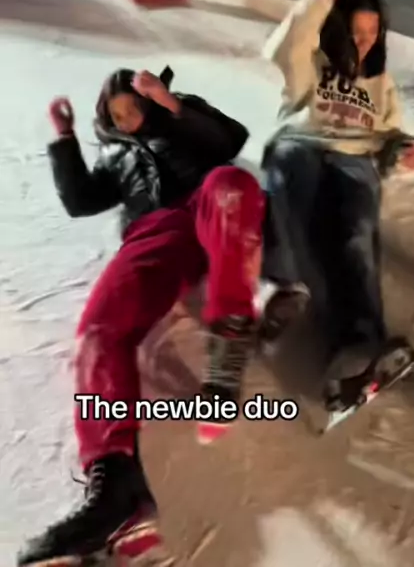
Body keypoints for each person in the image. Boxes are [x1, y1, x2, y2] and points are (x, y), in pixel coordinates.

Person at [17, 66, 265, 567]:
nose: (128, 118)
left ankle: (230, 340)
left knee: (230, 182)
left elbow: (230, 138)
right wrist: (64, 138)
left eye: (135, 108)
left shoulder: (181, 122)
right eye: (118, 115)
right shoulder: (116, 158)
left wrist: (168, 102)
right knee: (97, 333)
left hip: (210, 205)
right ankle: (117, 490)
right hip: (154, 234)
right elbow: (80, 200)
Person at [261, 0, 414, 378]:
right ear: (338, 29)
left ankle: (362, 341)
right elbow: (282, 47)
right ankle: (291, 290)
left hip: (355, 157)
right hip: (302, 143)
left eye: (373, 32)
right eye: (355, 31)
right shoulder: (312, 62)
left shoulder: (381, 84)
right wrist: (317, 0)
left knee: (357, 231)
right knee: (295, 197)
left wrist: (405, 148)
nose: (364, 41)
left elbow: (389, 135)